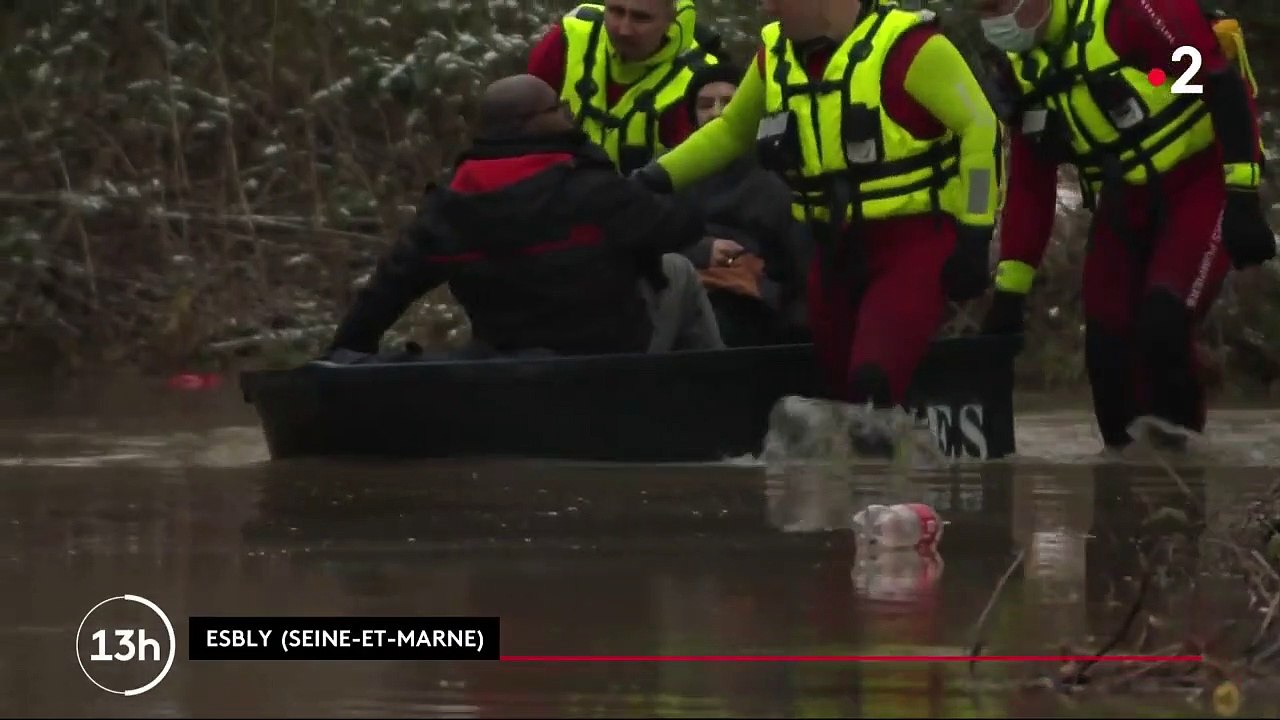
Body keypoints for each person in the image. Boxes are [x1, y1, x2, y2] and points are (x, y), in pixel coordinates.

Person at [632, 0, 1002, 414]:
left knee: (871, 384)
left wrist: (975, 230)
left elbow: (980, 127)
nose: (767, 9)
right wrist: (652, 179)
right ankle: (868, 469)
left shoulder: (912, 47)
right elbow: (732, 132)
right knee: (834, 392)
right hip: (830, 248)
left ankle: (886, 469)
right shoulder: (775, 53)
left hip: (911, 242)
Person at [972, 0, 1275, 451]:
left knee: (1163, 321)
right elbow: (1031, 188)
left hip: (1200, 181)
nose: (993, 19)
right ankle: (1122, 488)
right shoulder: (1023, 73)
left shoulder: (1131, 14)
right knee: (1105, 352)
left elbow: (1220, 85)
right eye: (983, 7)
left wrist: (1244, 196)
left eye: (1000, 4)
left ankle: (1181, 483)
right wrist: (1011, 291)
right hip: (1125, 202)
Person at [323, 74, 723, 362]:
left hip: (505, 358)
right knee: (679, 269)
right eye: (558, 109)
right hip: (607, 360)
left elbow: (389, 287)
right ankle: (714, 397)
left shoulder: (450, 205)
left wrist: (344, 352)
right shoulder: (591, 187)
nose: (568, 116)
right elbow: (680, 227)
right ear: (530, 122)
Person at [677, 61, 813, 347]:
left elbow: (800, 262)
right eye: (705, 104)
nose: (716, 112)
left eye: (728, 102)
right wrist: (702, 252)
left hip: (751, 303)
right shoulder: (672, 173)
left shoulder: (778, 178)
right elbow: (644, 231)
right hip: (683, 284)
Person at [527, 0, 720, 174]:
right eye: (616, 12)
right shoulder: (568, 38)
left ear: (672, 19)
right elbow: (518, 132)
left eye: (641, 18)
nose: (624, 29)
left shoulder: (703, 82)